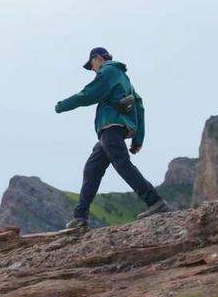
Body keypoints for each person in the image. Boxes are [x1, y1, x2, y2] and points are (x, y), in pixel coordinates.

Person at [55, 47, 169, 228]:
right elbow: (138, 105)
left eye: (91, 65)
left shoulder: (107, 71)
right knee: (92, 169)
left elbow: (88, 94)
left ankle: (154, 202)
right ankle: (80, 217)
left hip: (111, 126)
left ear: (98, 58)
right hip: (114, 129)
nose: (92, 69)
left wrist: (62, 106)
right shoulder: (124, 78)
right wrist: (138, 138)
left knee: (121, 163)